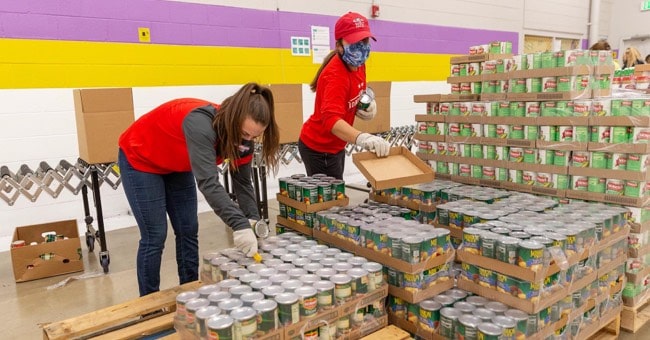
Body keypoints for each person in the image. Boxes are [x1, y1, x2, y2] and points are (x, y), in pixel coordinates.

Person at [118, 83, 280, 296]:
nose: (247, 140)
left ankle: (190, 292)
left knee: (188, 229)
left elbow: (242, 183)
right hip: (141, 159)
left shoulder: (244, 140)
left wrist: (252, 220)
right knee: (155, 235)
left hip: (178, 164)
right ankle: (148, 305)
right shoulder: (201, 123)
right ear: (233, 118)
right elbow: (209, 183)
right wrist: (239, 224)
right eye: (244, 133)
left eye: (253, 136)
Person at [298, 12, 391, 179]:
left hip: (337, 145)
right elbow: (331, 120)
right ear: (339, 45)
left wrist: (365, 104)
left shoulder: (359, 64)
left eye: (364, 40)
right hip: (319, 147)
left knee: (335, 197)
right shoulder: (334, 75)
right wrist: (361, 137)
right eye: (354, 41)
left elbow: (355, 91)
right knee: (330, 201)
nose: (361, 47)